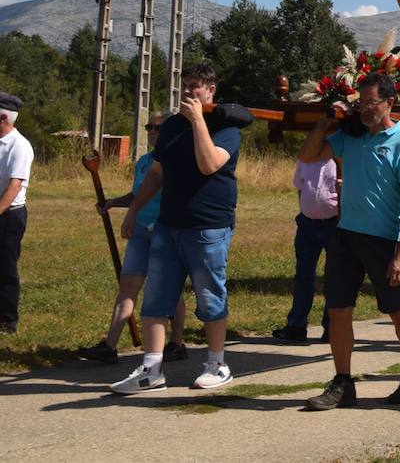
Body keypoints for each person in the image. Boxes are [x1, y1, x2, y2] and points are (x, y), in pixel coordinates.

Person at [111, 65, 250, 394]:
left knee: (209, 298)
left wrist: (199, 120)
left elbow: (209, 164)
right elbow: (157, 174)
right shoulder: (172, 126)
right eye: (185, 86)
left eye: (196, 87)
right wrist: (133, 210)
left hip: (208, 228)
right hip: (168, 225)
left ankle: (217, 364)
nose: (189, 92)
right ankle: (151, 369)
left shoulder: (225, 127)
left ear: (211, 90)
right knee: (156, 299)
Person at [297, 74, 400, 410]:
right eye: (361, 103)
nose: (365, 110)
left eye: (372, 103)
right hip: (345, 237)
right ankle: (343, 383)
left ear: (390, 103)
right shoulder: (349, 137)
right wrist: (325, 121)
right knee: (338, 311)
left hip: (384, 242)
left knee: (398, 312)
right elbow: (309, 156)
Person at [79, 112, 188, 362]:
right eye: (149, 126)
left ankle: (176, 343)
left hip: (165, 231)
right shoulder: (144, 161)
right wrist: (114, 202)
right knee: (128, 286)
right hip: (140, 230)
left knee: (170, 289)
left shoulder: (178, 160)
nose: (151, 131)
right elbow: (139, 194)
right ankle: (109, 346)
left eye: (157, 128)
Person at [272, 145, 339, 342]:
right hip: (307, 224)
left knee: (334, 278)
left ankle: (332, 327)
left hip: (334, 225)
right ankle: (296, 325)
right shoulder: (305, 159)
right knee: (303, 275)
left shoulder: (340, 160)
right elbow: (300, 188)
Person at [0, 92, 34, 335]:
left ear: (4, 117)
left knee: (5, 267)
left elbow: (14, 186)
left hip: (9, 215)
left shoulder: (19, 145)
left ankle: (7, 320)